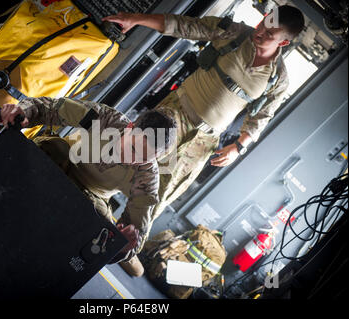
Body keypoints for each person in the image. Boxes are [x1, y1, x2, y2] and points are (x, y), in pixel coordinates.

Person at [103, 5, 305, 275]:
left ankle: (124, 242)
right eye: (262, 24)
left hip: (204, 138)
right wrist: (135, 18)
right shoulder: (233, 32)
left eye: (269, 33)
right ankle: (89, 205)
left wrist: (239, 146)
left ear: (284, 42)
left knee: (163, 190)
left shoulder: (278, 78)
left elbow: (262, 117)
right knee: (127, 158)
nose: (259, 32)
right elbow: (183, 25)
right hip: (174, 112)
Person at [0, 96, 176, 275]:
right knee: (50, 149)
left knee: (103, 234)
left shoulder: (147, 177)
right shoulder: (107, 120)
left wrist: (123, 245)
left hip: (90, 198)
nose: (133, 160)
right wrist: (24, 112)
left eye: (144, 158)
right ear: (129, 128)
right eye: (133, 148)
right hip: (60, 160)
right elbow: (51, 108)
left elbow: (136, 234)